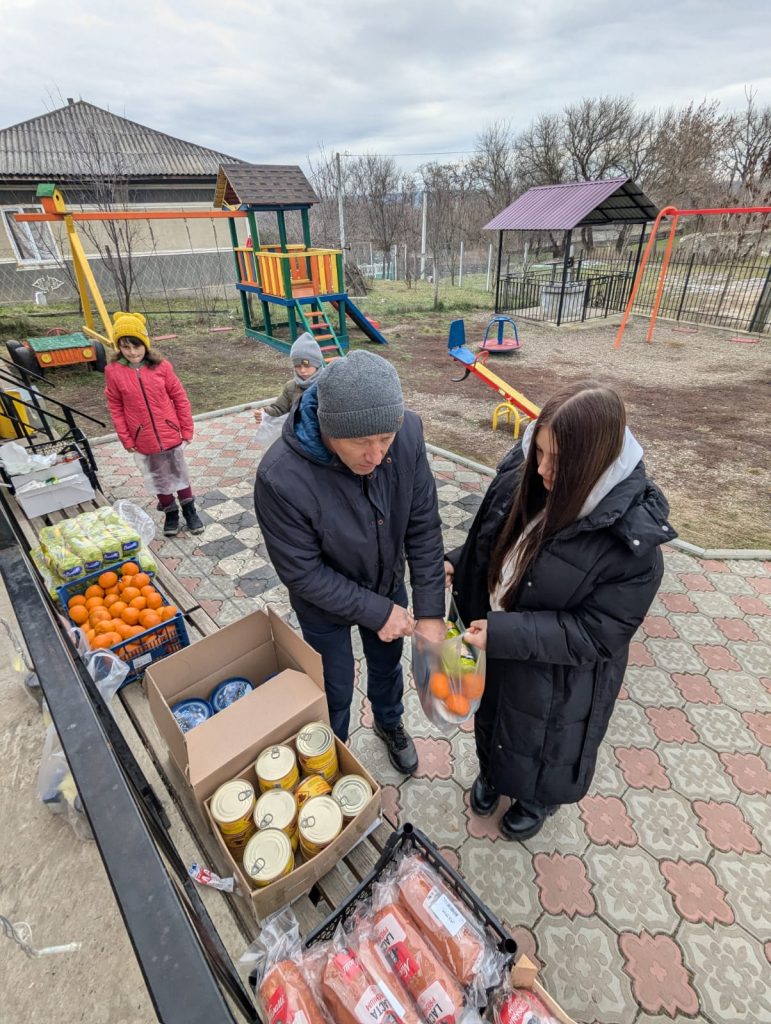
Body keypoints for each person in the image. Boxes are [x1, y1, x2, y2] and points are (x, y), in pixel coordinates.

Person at [446, 381, 674, 841]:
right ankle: (492, 774)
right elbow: (494, 536)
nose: (543, 469)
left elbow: (594, 634)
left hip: (561, 676)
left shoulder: (633, 546)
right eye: (540, 451)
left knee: (542, 740)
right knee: (492, 716)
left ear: (593, 463)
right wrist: (458, 560)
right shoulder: (527, 469)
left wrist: (504, 634)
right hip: (496, 641)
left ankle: (537, 800)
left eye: (558, 461)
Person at [254, 350, 446, 773]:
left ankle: (389, 722)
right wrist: (377, 612)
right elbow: (301, 571)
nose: (376, 457)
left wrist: (431, 613)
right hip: (324, 603)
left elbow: (423, 528)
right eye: (361, 442)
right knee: (333, 684)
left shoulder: (409, 434)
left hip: (384, 580)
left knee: (387, 664)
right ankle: (332, 748)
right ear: (328, 427)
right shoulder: (280, 477)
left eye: (385, 441)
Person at [104, 311, 203, 538]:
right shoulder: (113, 372)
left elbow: (179, 397)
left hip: (169, 432)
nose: (132, 352)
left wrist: (186, 429)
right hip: (143, 437)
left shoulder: (161, 367)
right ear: (119, 347)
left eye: (136, 346)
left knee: (179, 473)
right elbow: (115, 406)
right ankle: (170, 512)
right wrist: (126, 438)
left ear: (145, 345)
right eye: (126, 347)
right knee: (159, 476)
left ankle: (190, 510)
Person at [253, 333, 324, 426]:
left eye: (307, 366)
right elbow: (279, 408)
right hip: (297, 435)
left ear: (317, 364)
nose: (302, 370)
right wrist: (265, 412)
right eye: (297, 366)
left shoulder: (327, 384)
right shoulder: (291, 386)